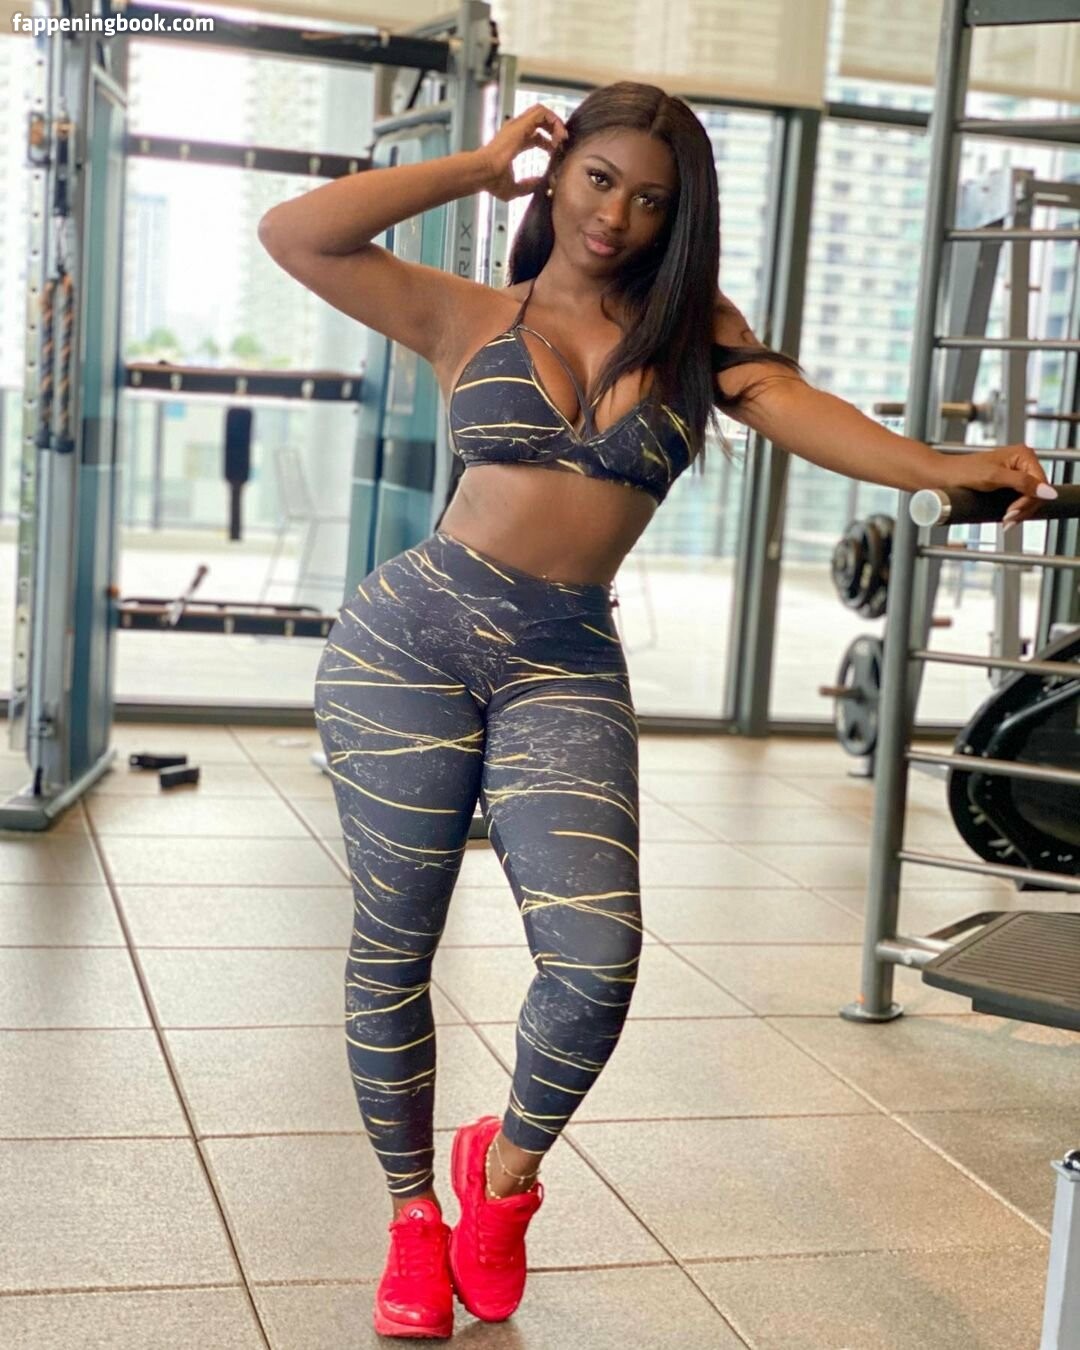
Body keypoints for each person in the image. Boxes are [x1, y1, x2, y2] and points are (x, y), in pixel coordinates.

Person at [258, 81, 1055, 1340]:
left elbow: (810, 417)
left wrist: (945, 467)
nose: (616, 215)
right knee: (395, 946)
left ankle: (502, 1179)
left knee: (597, 959)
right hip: (408, 645)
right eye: (598, 179)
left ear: (680, 219)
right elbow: (296, 232)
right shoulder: (470, 314)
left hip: (563, 659)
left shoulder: (695, 340)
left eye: (650, 199)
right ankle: (412, 1218)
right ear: (558, 171)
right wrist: (478, 169)